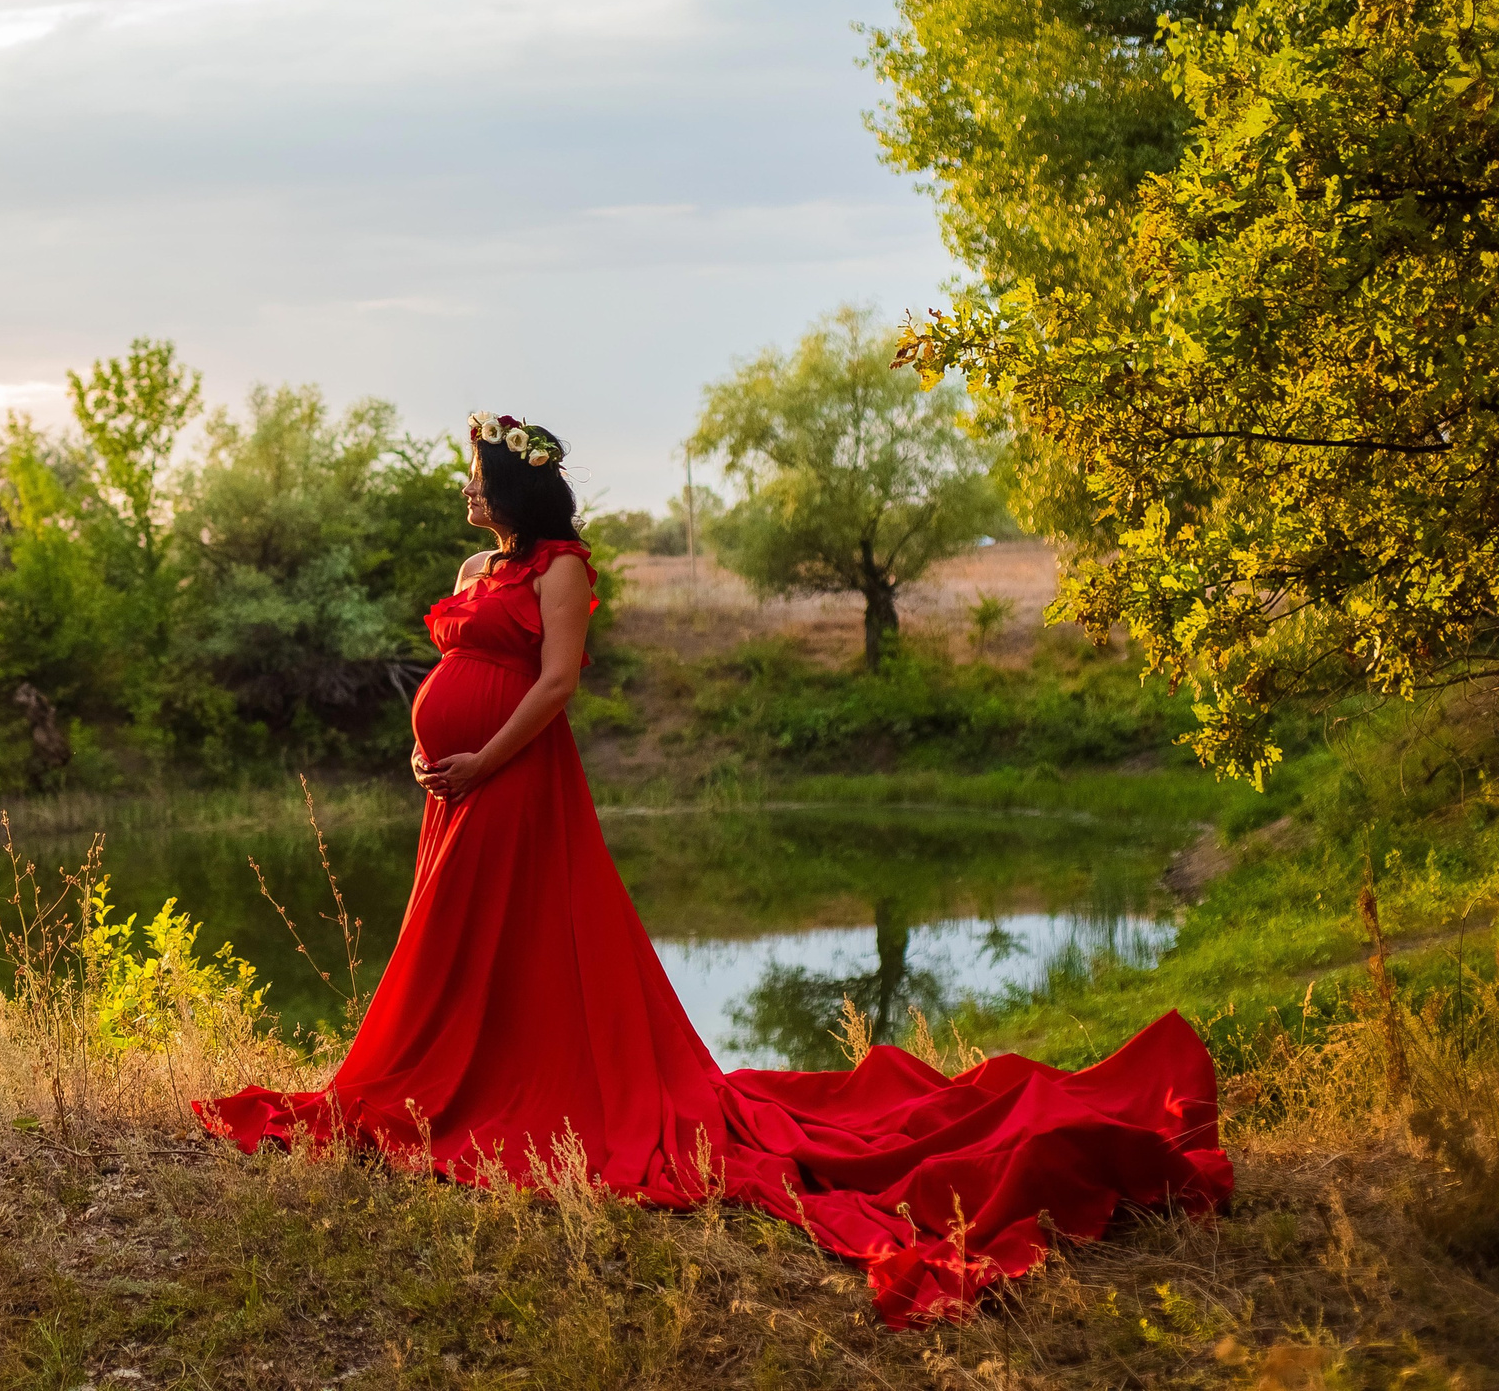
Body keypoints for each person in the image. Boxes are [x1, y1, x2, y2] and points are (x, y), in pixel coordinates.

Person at [193, 412, 1232, 1328]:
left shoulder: (562, 568)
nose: (464, 488)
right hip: (456, 785)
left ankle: (521, 1084)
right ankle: (440, 1077)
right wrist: (425, 754)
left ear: (511, 488)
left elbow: (553, 684)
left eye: (474, 473)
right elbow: (451, 674)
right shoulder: (475, 573)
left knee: (525, 938)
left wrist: (480, 756)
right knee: (451, 940)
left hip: (513, 778)